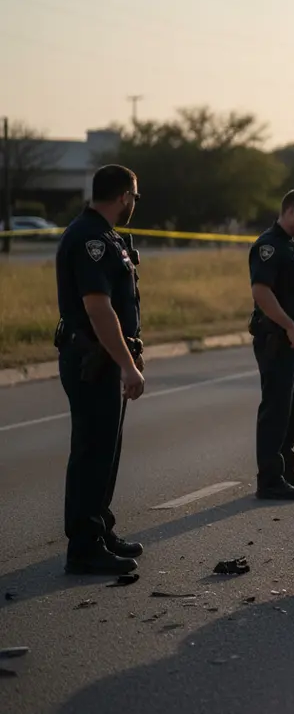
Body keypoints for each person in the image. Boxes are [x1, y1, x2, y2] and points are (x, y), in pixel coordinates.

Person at [54, 164, 146, 575]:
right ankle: (84, 547)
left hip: (106, 358)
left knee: (106, 450)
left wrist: (129, 353)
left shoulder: (105, 235)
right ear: (125, 195)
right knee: (92, 452)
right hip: (92, 360)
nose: (134, 204)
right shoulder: (89, 237)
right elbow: (97, 307)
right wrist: (127, 365)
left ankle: (100, 527)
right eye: (135, 197)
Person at [249, 189, 294, 500]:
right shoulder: (269, 246)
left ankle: (285, 466)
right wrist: (290, 326)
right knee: (276, 409)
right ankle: (269, 478)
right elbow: (261, 292)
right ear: (290, 212)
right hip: (277, 339)